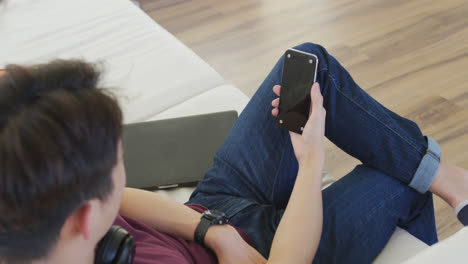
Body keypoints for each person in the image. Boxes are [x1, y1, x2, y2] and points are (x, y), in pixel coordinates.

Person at [0, 43, 466, 264]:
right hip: (274, 250)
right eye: (118, 160)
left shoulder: (33, 218)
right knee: (401, 176)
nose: (124, 174)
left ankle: (449, 178)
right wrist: (310, 165)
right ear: (83, 218)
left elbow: (121, 201)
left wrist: (213, 232)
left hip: (213, 212)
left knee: (308, 61)